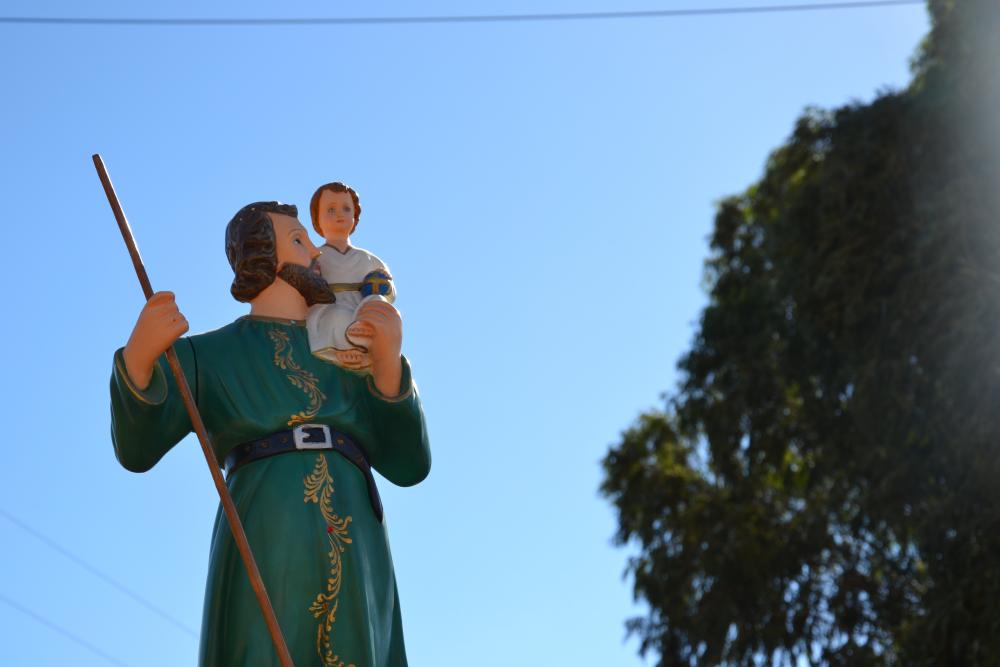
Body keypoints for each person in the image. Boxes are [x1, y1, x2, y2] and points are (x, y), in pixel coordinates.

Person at [110, 201, 430, 667]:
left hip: (355, 528)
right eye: (300, 241)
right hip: (266, 521)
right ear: (265, 258)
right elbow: (137, 449)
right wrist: (138, 360)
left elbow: (410, 464)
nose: (317, 253)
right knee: (258, 643)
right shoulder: (210, 355)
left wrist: (387, 365)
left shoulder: (351, 354)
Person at [306, 182, 395, 371]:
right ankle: (342, 349)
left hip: (360, 305)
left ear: (355, 216)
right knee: (339, 316)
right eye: (330, 209)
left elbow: (389, 290)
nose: (339, 214)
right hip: (330, 303)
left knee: (375, 303)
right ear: (317, 219)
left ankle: (367, 347)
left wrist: (383, 286)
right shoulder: (313, 256)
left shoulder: (368, 258)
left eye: (346, 209)